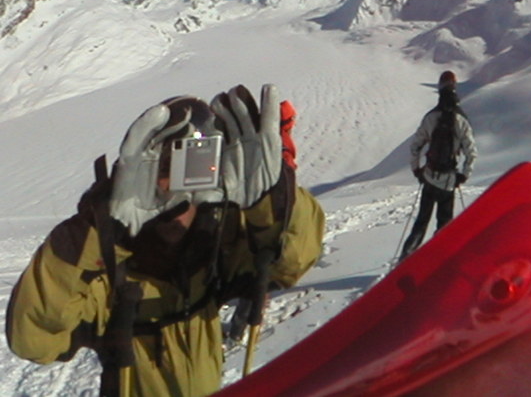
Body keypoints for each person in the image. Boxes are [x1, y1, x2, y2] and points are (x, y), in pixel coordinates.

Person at [5, 85, 325, 397]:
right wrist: (94, 230)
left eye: (195, 167)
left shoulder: (214, 248)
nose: (175, 188)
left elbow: (292, 261)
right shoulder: (107, 267)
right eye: (164, 166)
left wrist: (272, 200)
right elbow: (34, 340)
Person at [227, 98, 298, 344]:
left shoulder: (268, 139)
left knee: (255, 267)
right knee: (261, 270)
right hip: (274, 210)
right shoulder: (280, 142)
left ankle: (243, 320)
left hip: (258, 209)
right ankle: (244, 323)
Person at [401, 71, 477, 259]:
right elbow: (471, 152)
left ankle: (406, 256)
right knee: (444, 224)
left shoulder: (431, 117)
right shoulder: (461, 120)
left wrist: (417, 169)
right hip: (448, 182)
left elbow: (416, 146)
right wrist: (464, 174)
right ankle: (439, 259)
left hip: (429, 177)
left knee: (421, 222)